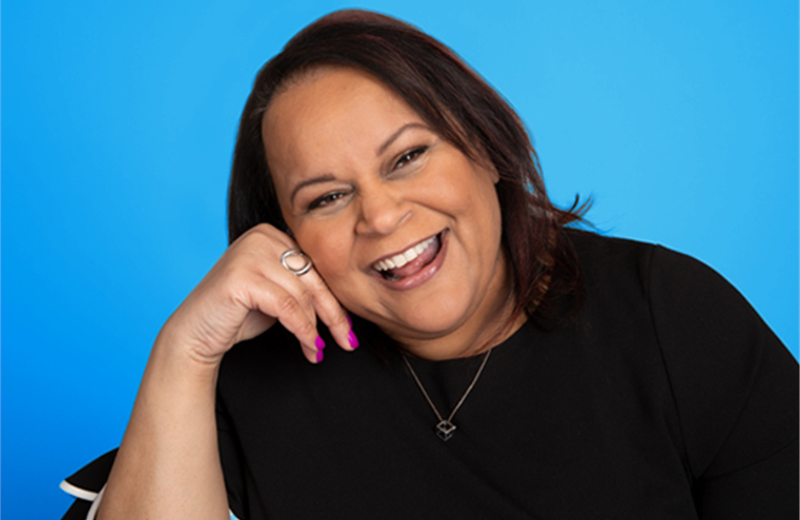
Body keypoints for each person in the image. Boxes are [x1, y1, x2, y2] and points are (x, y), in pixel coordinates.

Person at [60, 9, 798, 520]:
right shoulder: (252, 384)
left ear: (486, 147)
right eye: (327, 198)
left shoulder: (669, 315)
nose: (381, 216)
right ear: (284, 238)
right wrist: (185, 353)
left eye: (408, 156)